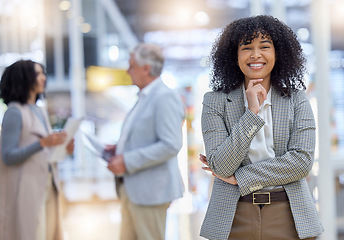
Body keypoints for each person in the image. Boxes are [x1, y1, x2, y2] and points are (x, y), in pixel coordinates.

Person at [199, 15, 324, 240]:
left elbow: (301, 163)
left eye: (264, 47)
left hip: (289, 214)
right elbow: (221, 166)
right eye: (247, 47)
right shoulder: (214, 101)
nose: (256, 55)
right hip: (233, 215)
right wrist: (251, 114)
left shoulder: (296, 100)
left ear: (278, 53)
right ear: (234, 56)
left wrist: (241, 178)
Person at [106, 43, 185, 240]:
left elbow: (170, 144)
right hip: (134, 189)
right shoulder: (144, 97)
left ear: (146, 68)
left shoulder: (164, 97)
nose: (127, 71)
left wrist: (127, 160)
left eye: (131, 66)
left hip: (150, 192)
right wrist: (119, 148)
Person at [0, 60, 74, 240]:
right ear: (24, 79)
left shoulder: (40, 112)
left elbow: (45, 154)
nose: (43, 78)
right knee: (31, 233)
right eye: (38, 74)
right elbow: (8, 156)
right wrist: (42, 143)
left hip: (48, 184)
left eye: (43, 73)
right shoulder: (14, 113)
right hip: (25, 188)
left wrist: (64, 149)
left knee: (49, 233)